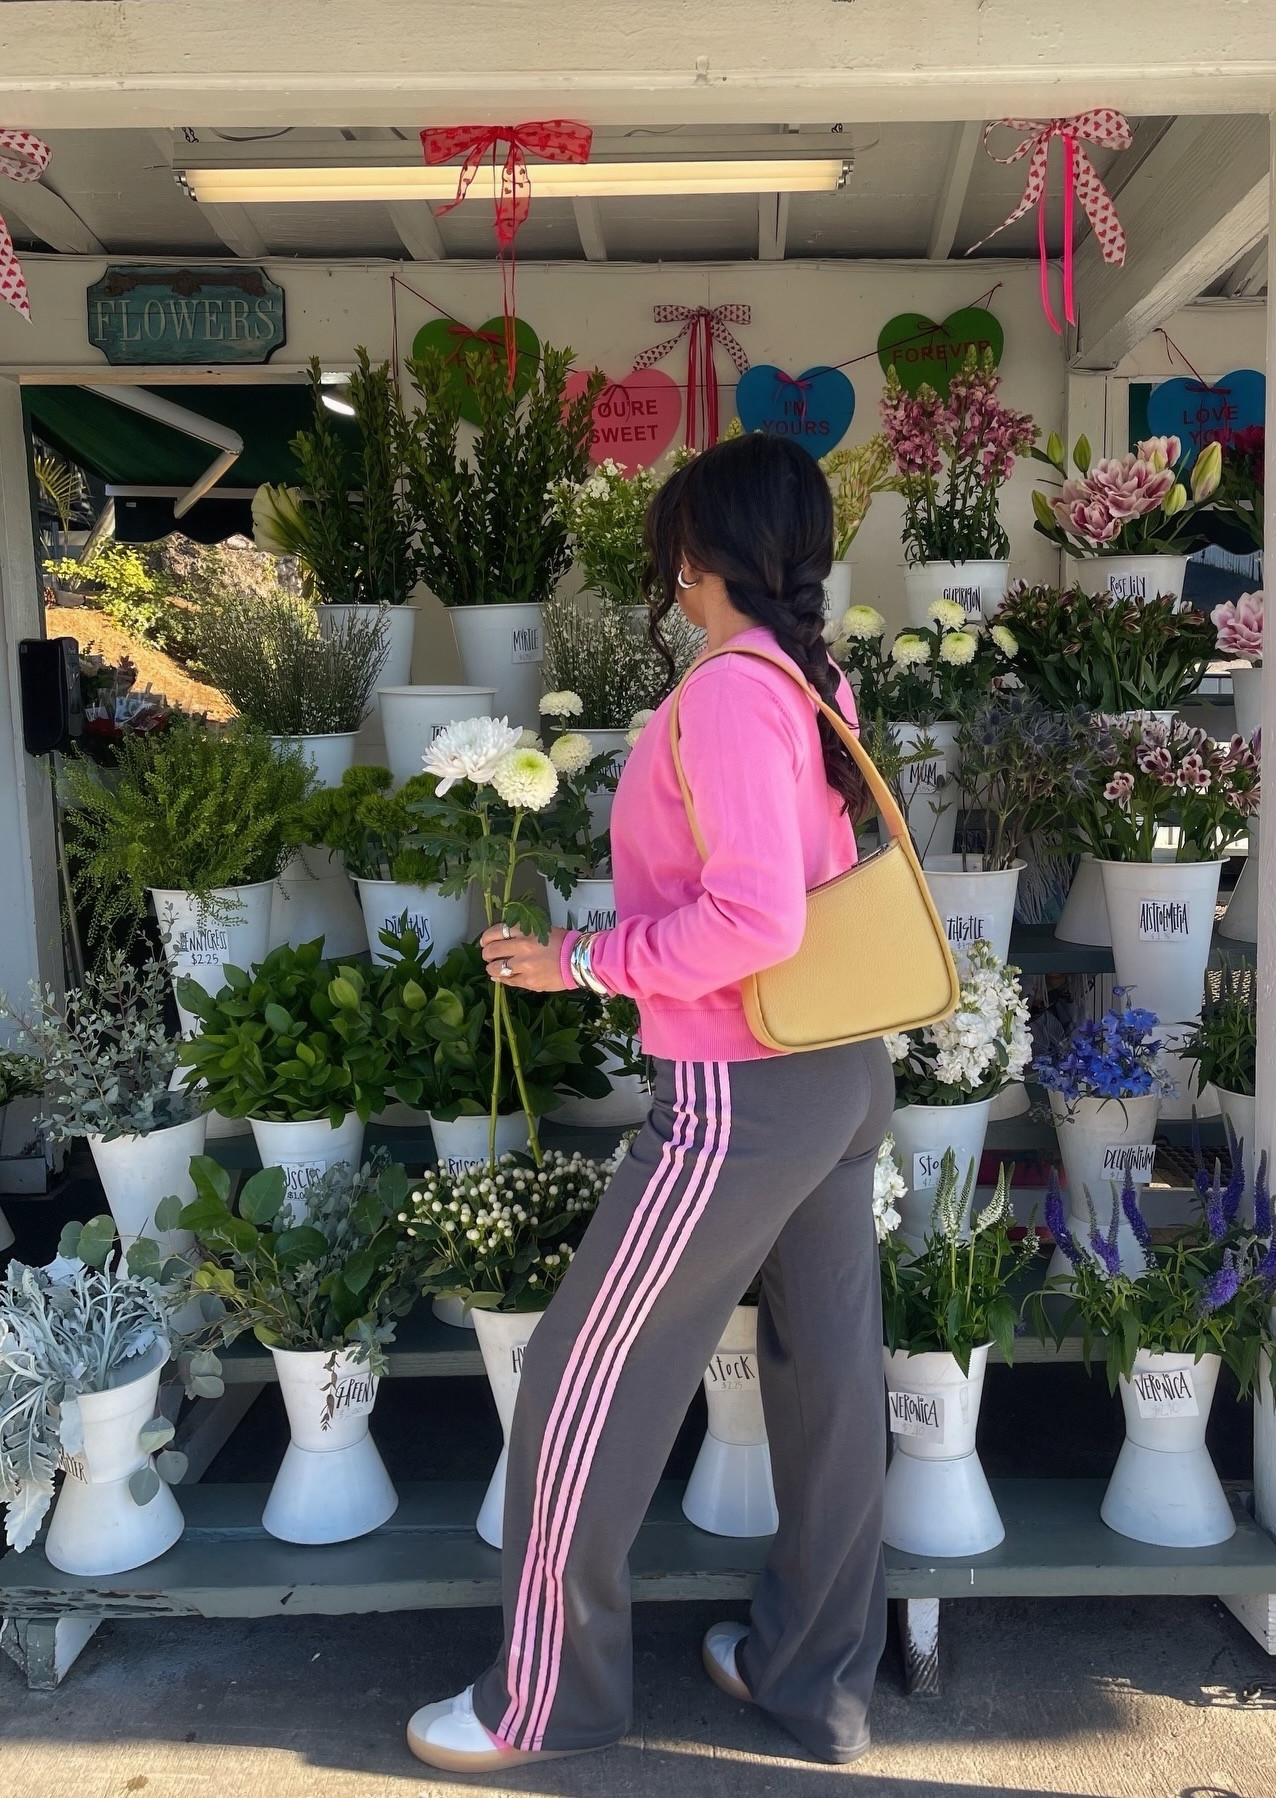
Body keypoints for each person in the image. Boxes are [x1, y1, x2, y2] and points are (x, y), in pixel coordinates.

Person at [406, 432, 894, 1774]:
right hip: (837, 1068)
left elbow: (751, 918)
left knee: (582, 1377)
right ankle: (814, 1684)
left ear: (702, 552)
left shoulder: (730, 691)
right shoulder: (809, 678)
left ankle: (544, 1700)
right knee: (830, 1383)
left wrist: (578, 960)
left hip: (740, 1089)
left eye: (673, 549)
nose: (667, 576)